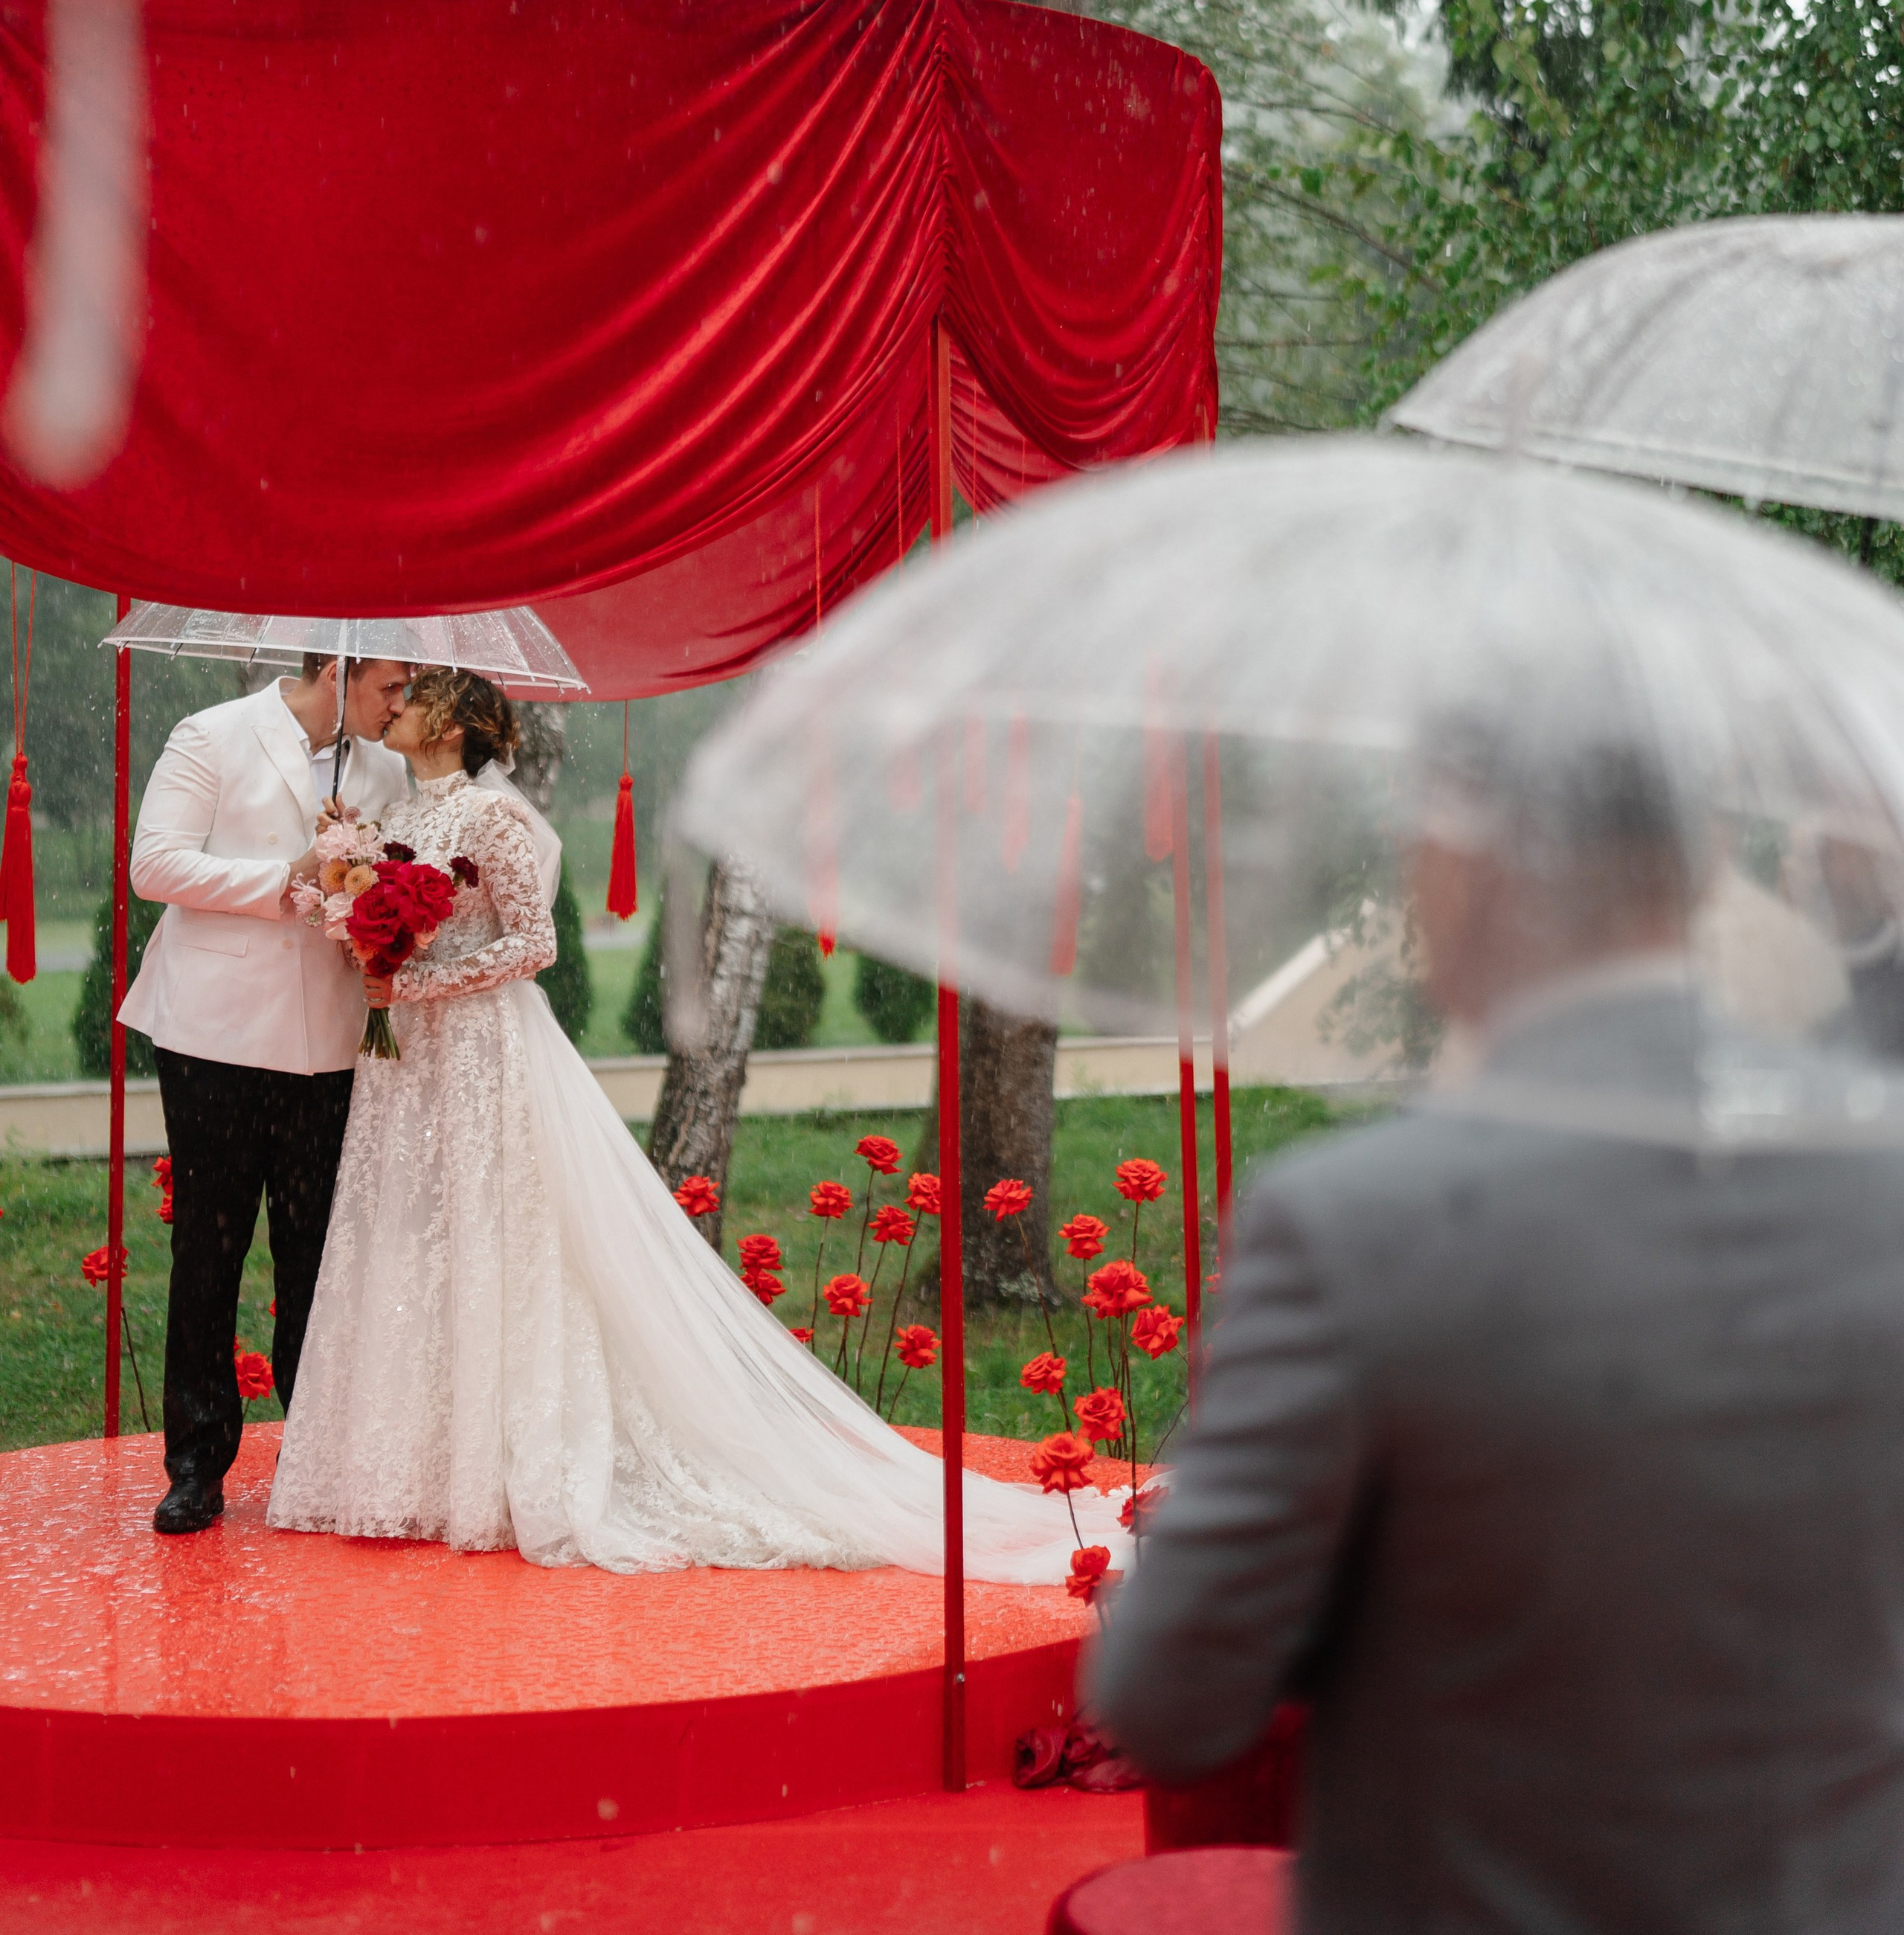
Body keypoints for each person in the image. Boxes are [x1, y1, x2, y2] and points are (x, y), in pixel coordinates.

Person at [1087, 731, 1904, 1932]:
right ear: (1707, 854)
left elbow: (1168, 1697)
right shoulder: (1879, 1175)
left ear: (1462, 866)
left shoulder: (1351, 1230)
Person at [270, 666, 1119, 1582]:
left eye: (414, 697)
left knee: (492, 1239)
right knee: (410, 1239)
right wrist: (338, 901)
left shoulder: (490, 819)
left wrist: (415, 980)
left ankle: (501, 1464)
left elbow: (536, 943)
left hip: (482, 1055)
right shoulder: (390, 820)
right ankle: (422, 1464)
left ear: (459, 723)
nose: (391, 706)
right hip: (407, 1066)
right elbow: (364, 910)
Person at [123, 652, 413, 1535]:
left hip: (331, 1040)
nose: (402, 705)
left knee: (317, 1252)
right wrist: (283, 879)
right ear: (337, 670)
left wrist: (380, 893)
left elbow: (393, 876)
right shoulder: (210, 734)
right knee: (209, 1251)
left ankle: (315, 1448)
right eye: (390, 687)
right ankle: (198, 1463)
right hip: (213, 1033)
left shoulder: (388, 766)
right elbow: (155, 866)